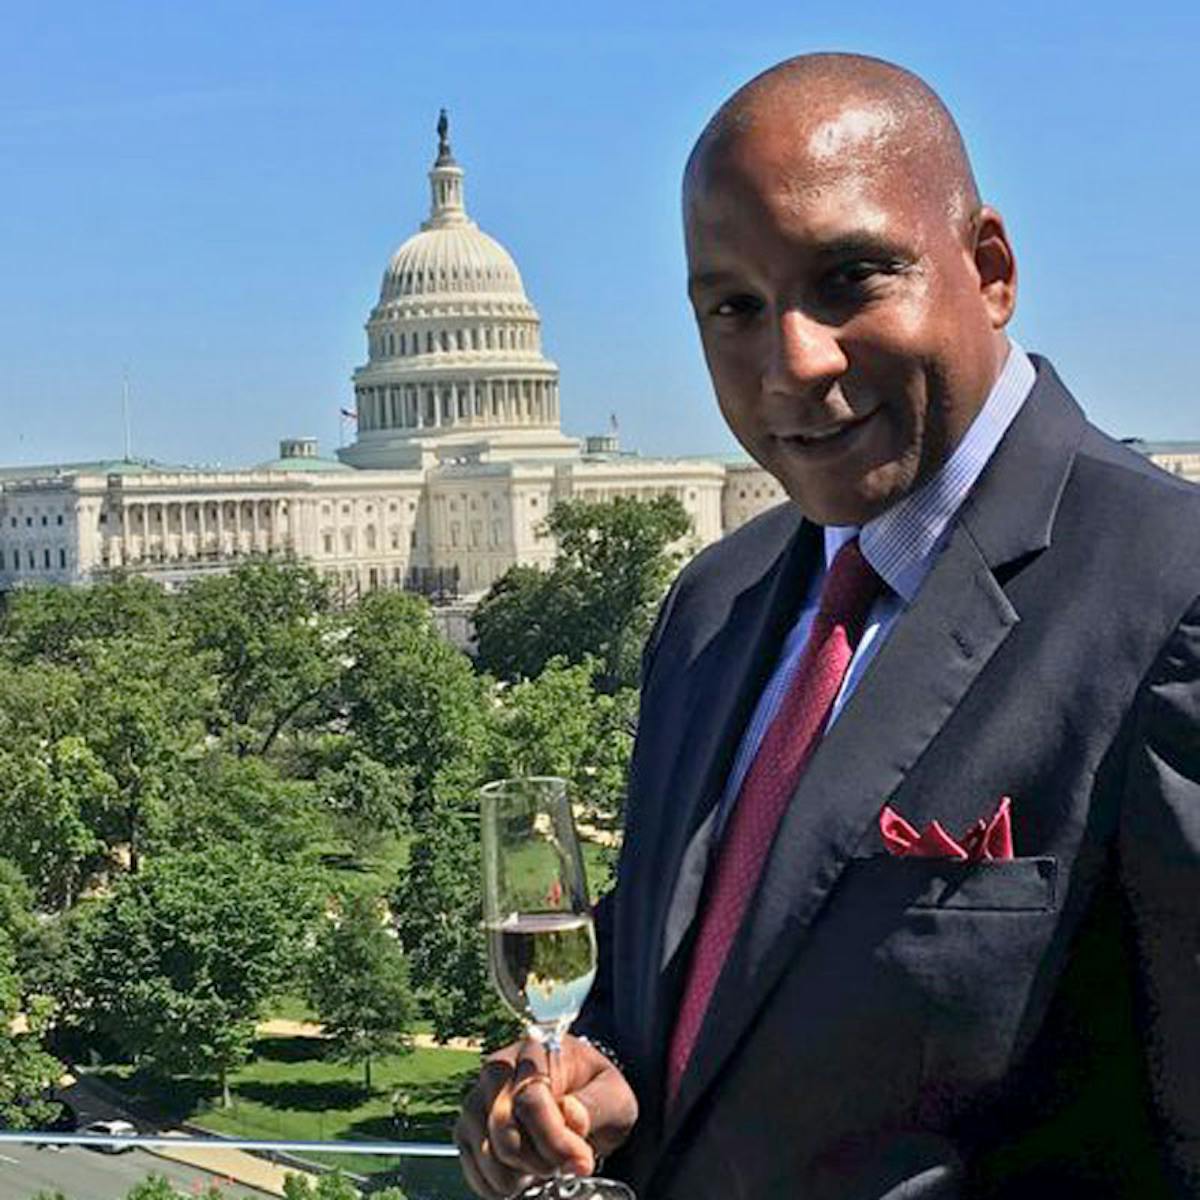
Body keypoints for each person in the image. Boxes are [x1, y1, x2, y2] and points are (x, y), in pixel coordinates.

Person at [456, 52, 1200, 1199]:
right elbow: (708, 980)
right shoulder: (714, 607)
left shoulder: (1168, 596)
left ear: (990, 270)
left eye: (850, 277)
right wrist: (587, 1071)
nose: (794, 364)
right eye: (735, 309)